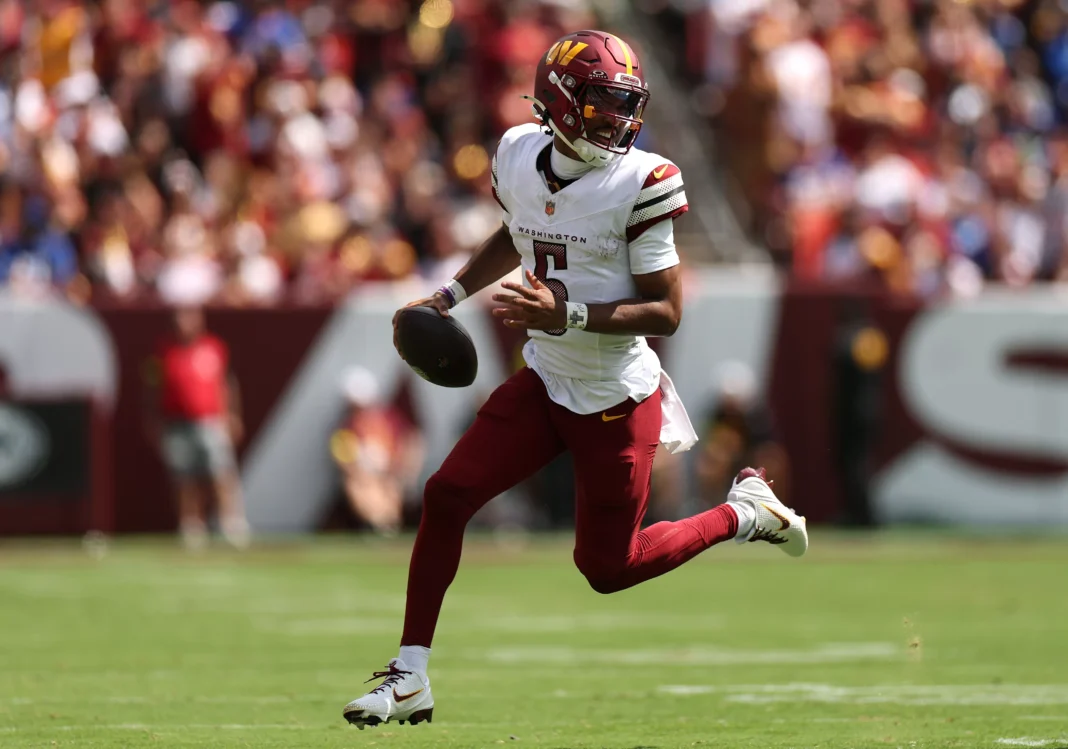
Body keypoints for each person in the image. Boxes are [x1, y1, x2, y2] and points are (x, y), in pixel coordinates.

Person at [342, 30, 808, 729]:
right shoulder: (516, 154)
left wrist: (569, 312)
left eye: (625, 105)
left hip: (615, 397)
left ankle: (743, 512)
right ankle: (410, 674)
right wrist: (447, 296)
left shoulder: (643, 180)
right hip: (546, 377)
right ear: (559, 102)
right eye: (600, 103)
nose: (617, 120)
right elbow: (517, 232)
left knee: (608, 568)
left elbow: (667, 311)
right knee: (446, 493)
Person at [143, 306, 249, 550]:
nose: (184, 323)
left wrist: (232, 415)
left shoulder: (214, 348)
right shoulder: (162, 352)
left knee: (221, 473)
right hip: (176, 423)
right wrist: (152, 419)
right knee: (184, 477)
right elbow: (151, 387)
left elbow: (227, 383)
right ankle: (191, 526)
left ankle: (231, 524)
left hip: (210, 421)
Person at [330, 367, 424, 535]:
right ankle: (380, 525)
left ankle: (387, 526)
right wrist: (361, 473)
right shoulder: (345, 428)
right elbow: (345, 461)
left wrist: (404, 471)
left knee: (389, 489)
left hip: (392, 473)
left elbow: (411, 442)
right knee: (360, 487)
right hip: (365, 476)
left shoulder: (389, 420)